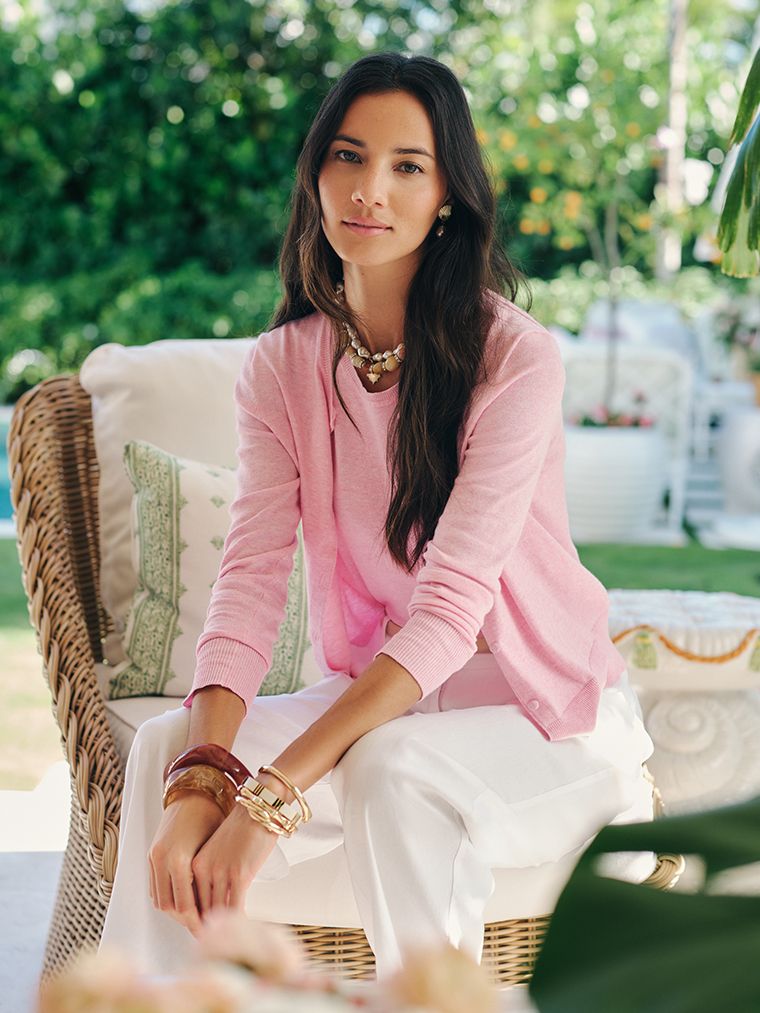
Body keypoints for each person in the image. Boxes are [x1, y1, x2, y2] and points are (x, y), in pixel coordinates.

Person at [99, 50, 655, 982]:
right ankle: (145, 1003)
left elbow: (448, 614)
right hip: (398, 709)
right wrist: (206, 780)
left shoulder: (515, 362)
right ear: (316, 173)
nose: (370, 189)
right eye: (348, 157)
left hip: (548, 724)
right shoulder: (282, 368)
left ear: (448, 195)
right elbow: (246, 588)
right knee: (168, 747)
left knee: (399, 769)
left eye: (407, 165)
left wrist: (268, 800)